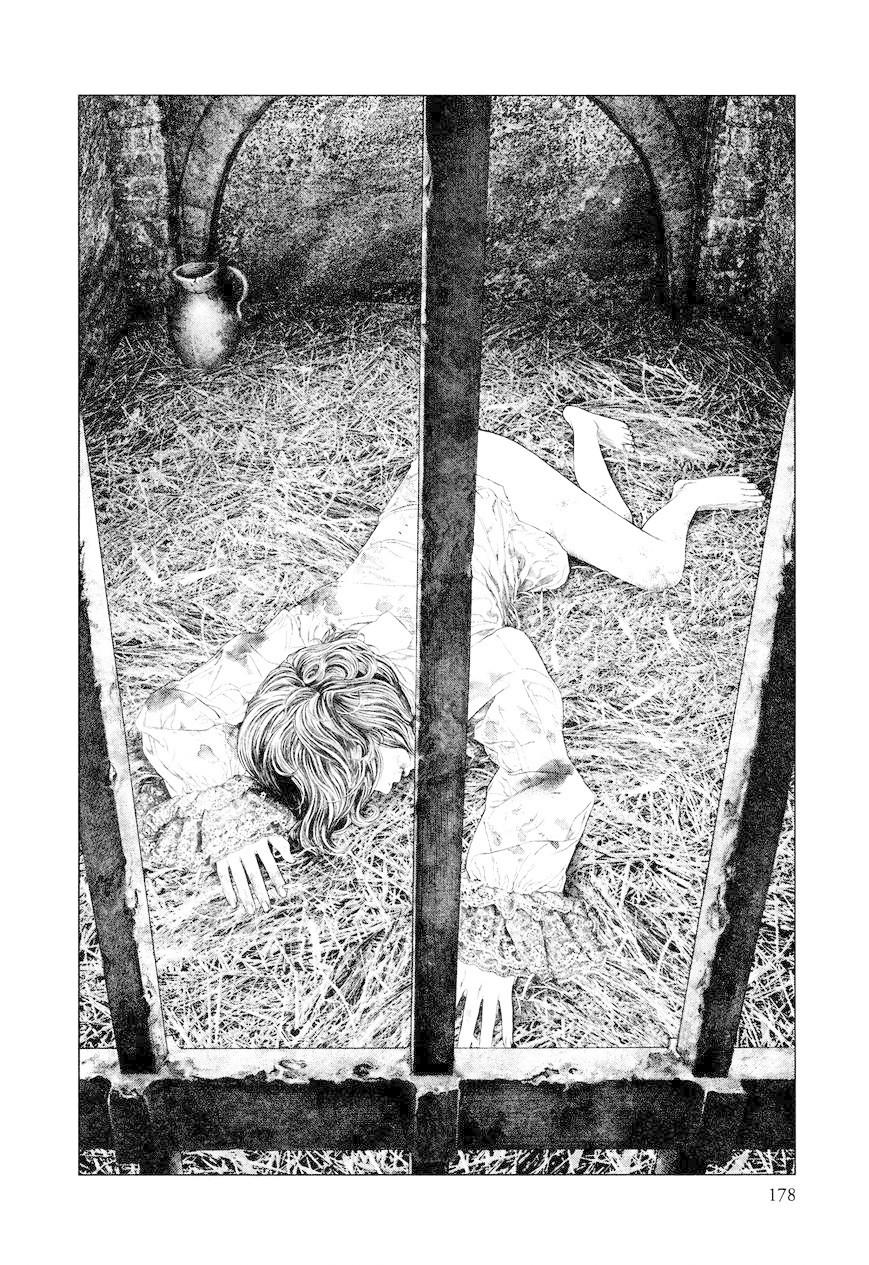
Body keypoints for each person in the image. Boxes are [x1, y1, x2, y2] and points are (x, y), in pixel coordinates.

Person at [138, 406, 763, 1046]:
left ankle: (684, 497)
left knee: (655, 567)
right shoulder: (313, 632)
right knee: (571, 557)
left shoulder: (477, 661)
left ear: (383, 720)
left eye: (371, 767)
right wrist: (227, 811)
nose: (384, 790)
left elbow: (543, 776)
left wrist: (496, 931)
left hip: (485, 474)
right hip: (439, 500)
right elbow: (173, 712)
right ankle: (584, 440)